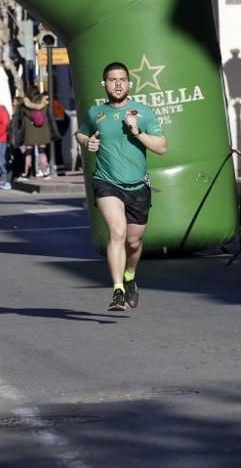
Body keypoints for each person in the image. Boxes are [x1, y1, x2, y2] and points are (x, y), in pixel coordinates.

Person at [76, 62, 167, 312]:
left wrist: (137, 132)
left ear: (129, 83)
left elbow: (161, 147)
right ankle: (117, 290)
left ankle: (129, 277)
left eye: (122, 79)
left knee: (134, 242)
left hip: (137, 185)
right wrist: (87, 142)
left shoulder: (143, 112)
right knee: (117, 232)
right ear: (103, 84)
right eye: (112, 79)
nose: (117, 84)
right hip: (106, 181)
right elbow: (81, 133)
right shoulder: (96, 113)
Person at [22, 89, 57, 178]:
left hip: (30, 132)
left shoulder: (26, 106)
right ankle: (45, 172)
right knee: (42, 153)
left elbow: (24, 116)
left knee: (28, 153)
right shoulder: (44, 105)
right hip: (42, 131)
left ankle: (27, 173)